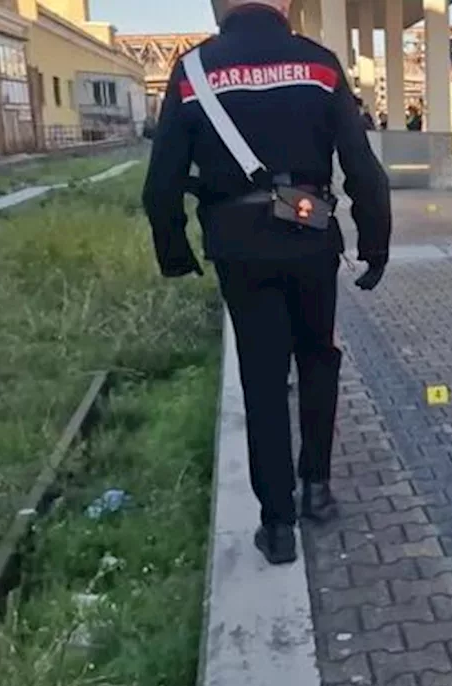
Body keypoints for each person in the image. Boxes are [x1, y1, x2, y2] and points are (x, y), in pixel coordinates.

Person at [141, 0, 391, 565]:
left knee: (262, 376)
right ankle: (318, 490)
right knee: (318, 356)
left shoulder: (194, 71)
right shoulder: (320, 65)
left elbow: (161, 184)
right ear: (283, 4)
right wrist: (374, 244)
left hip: (238, 247)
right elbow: (362, 168)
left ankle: (277, 525)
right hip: (309, 236)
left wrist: (175, 250)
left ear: (219, 5)